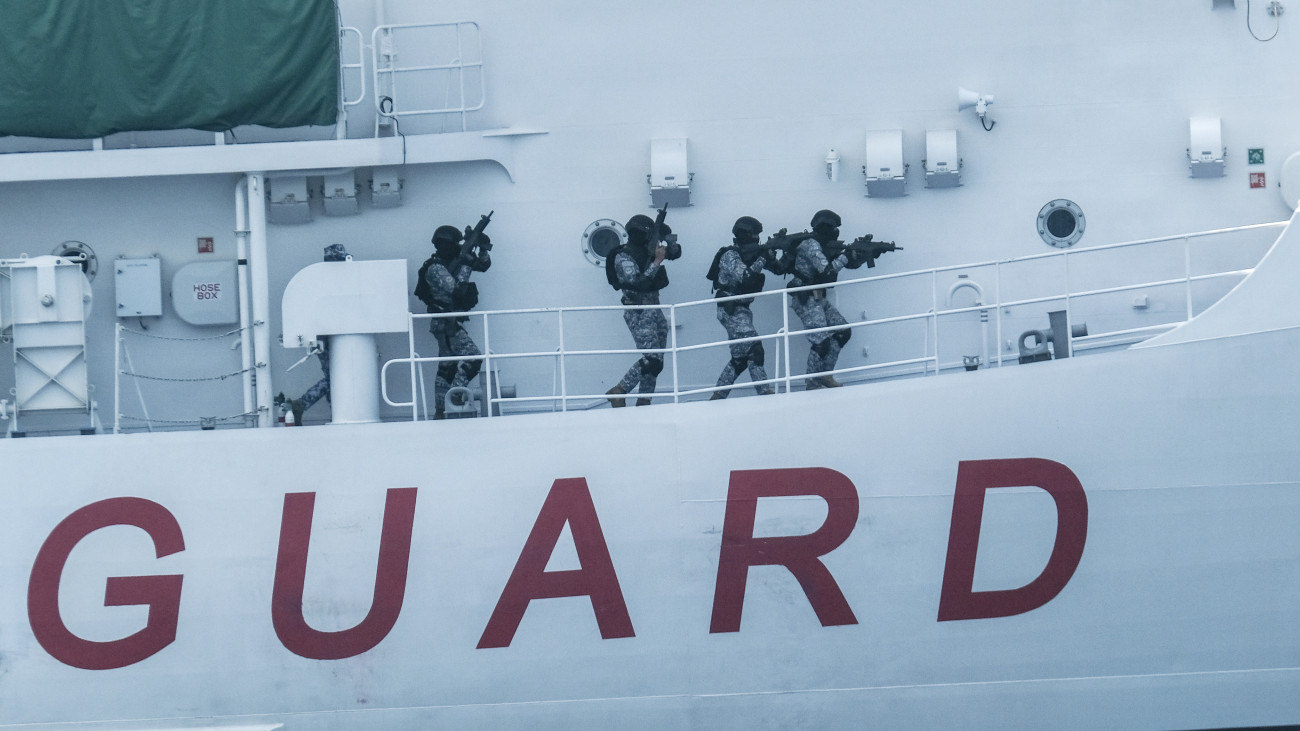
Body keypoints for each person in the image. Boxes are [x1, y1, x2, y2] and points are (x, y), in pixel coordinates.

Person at [417, 224, 491, 419]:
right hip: (445, 322)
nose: (458, 246)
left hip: (449, 322)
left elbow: (483, 266)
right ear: (444, 244)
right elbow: (456, 290)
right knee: (473, 358)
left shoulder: (452, 261)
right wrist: (466, 263)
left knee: (448, 367)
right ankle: (454, 399)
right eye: (455, 243)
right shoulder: (435, 268)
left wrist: (482, 248)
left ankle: (441, 411)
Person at [605, 214, 674, 407]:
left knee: (657, 362)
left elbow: (675, 254)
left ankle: (644, 401)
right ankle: (619, 390)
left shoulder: (645, 251)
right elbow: (637, 283)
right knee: (651, 359)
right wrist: (656, 262)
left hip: (654, 308)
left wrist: (666, 247)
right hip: (639, 311)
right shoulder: (624, 256)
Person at [707, 216, 775, 399]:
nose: (757, 239)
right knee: (755, 350)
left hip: (742, 310)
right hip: (730, 308)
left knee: (740, 360)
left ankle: (718, 396)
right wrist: (762, 258)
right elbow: (744, 276)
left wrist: (779, 253)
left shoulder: (750, 255)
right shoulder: (730, 255)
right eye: (754, 235)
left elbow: (779, 268)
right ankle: (765, 393)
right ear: (744, 235)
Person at [281, 243, 349, 424]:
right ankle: (303, 405)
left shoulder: (318, 281)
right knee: (336, 376)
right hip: (328, 337)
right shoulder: (334, 281)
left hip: (332, 336)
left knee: (335, 376)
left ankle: (327, 411)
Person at [789, 209, 853, 389]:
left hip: (817, 297)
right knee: (821, 341)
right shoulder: (811, 245)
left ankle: (825, 375)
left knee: (843, 331)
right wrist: (845, 257)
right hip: (805, 297)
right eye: (833, 228)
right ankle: (811, 381)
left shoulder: (823, 245)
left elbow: (840, 264)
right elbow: (827, 272)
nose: (836, 233)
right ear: (826, 227)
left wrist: (857, 257)